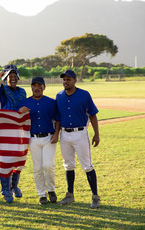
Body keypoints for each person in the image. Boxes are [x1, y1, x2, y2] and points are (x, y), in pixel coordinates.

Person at [55, 69, 101, 209]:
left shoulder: (84, 95)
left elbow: (92, 115)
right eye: (64, 79)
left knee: (87, 165)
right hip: (64, 134)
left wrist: (96, 134)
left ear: (75, 80)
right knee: (68, 165)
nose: (65, 82)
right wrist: (56, 134)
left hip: (80, 133)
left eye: (69, 79)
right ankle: (70, 195)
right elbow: (57, 118)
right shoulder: (59, 96)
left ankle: (95, 197)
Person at [0, 64, 26, 203]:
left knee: (18, 161)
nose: (12, 79)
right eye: (10, 77)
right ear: (5, 78)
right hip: (3, 131)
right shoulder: (0, 90)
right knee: (5, 162)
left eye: (15, 76)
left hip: (19, 131)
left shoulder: (23, 92)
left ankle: (14, 185)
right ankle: (5, 189)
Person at [18, 77, 60, 205]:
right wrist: (20, 112)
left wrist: (56, 134)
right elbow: (18, 120)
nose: (37, 88)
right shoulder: (25, 103)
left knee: (48, 165)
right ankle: (42, 194)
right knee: (37, 168)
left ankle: (51, 190)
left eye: (39, 85)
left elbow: (57, 119)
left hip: (49, 137)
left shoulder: (51, 102)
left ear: (44, 87)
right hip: (33, 139)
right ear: (31, 88)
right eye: (34, 86)